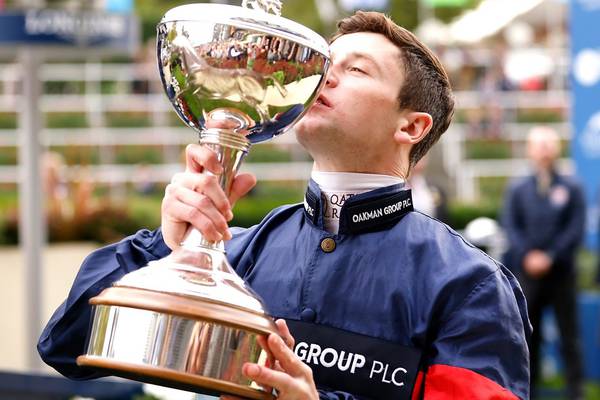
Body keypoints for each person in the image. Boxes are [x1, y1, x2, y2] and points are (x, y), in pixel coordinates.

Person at [38, 11, 530, 399]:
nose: (324, 79)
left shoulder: (469, 284)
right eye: (322, 67)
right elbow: (66, 345)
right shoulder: (237, 252)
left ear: (411, 127)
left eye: (354, 70)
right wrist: (169, 247)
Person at [501, 126, 585, 400]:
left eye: (549, 143)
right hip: (527, 276)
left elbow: (575, 228)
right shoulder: (517, 188)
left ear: (557, 147)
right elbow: (511, 226)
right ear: (530, 149)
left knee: (569, 337)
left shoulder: (572, 186)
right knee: (528, 338)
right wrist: (529, 255)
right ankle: (528, 391)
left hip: (562, 274)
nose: (545, 149)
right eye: (539, 144)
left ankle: (575, 391)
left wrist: (550, 257)